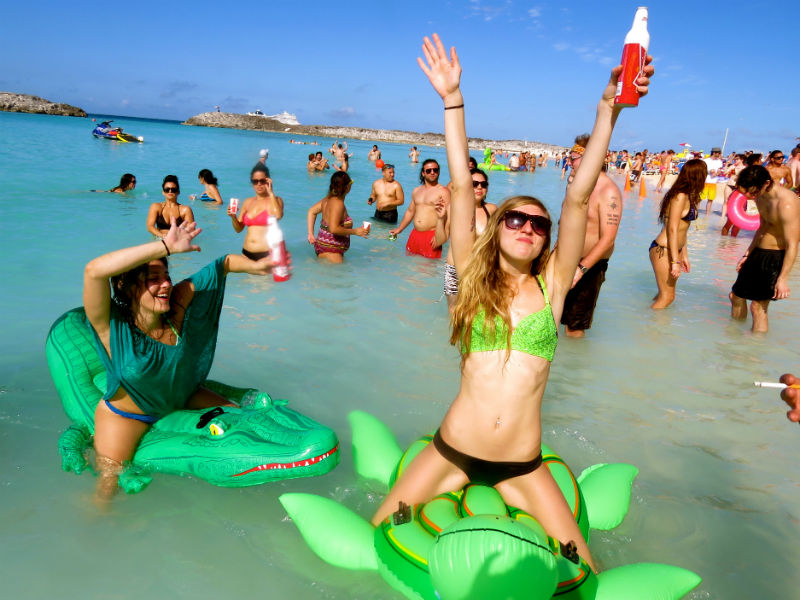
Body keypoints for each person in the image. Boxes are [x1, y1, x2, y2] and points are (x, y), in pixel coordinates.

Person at [371, 33, 652, 574]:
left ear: (548, 238)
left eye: (537, 224)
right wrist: (452, 99)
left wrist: (607, 112)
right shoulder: (471, 283)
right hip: (453, 449)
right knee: (379, 530)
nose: (527, 227)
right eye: (515, 219)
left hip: (522, 464)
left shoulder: (554, 288)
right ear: (497, 228)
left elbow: (577, 195)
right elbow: (458, 182)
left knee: (584, 569)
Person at [83, 220, 276, 504]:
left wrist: (257, 267)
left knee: (242, 417)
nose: (166, 285)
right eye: (153, 277)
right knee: (107, 489)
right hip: (127, 415)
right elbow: (94, 271)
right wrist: (164, 246)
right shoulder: (110, 326)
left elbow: (221, 265)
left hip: (181, 395)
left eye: (166, 275)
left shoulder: (178, 306)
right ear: (126, 285)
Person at [560, 134, 622, 337]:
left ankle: (574, 366)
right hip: (564, 261)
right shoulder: (578, 186)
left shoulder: (608, 191)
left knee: (574, 326)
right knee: (552, 316)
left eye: (573, 158)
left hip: (588, 267)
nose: (569, 161)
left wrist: (580, 270)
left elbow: (608, 240)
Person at [729, 165, 800, 333]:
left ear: (766, 183)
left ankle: (753, 354)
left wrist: (783, 279)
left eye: (752, 193)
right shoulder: (760, 197)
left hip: (776, 256)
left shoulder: (787, 204)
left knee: (758, 307)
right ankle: (734, 340)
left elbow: (793, 244)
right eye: (746, 193)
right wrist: (748, 253)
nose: (750, 197)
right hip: (759, 252)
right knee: (736, 296)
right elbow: (763, 227)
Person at [648, 159, 706, 309]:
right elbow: (672, 229)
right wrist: (675, 262)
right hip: (663, 249)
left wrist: (684, 254)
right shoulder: (680, 196)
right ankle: (650, 329)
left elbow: (683, 229)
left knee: (663, 296)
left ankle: (651, 325)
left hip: (675, 250)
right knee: (668, 297)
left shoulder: (691, 196)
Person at [439, 167, 497, 310]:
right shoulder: (453, 208)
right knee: (455, 314)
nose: (479, 187)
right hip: (454, 270)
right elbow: (441, 239)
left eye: (483, 185)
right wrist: (440, 220)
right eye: (474, 183)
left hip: (481, 270)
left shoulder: (492, 210)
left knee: (478, 314)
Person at [390, 158, 451, 259]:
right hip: (415, 235)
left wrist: (443, 237)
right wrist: (399, 229)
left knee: (428, 270)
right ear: (423, 173)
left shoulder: (443, 191)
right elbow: (410, 211)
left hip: (432, 236)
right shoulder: (416, 191)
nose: (432, 172)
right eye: (428, 170)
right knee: (410, 268)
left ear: (438, 172)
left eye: (435, 170)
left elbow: (449, 217)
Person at [307, 171, 368, 263]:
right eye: (350, 183)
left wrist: (310, 234)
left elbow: (311, 211)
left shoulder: (328, 199)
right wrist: (356, 231)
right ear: (347, 187)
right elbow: (334, 229)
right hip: (332, 251)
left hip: (323, 246)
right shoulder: (337, 203)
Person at [228, 164, 285, 260]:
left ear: (268, 181)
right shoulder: (248, 202)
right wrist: (233, 217)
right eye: (255, 181)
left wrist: (271, 192)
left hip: (267, 255)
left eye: (262, 181)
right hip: (246, 254)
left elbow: (278, 215)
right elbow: (238, 229)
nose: (258, 184)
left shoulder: (276, 200)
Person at [701, 147, 723, 214]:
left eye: (719, 153)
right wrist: (709, 171)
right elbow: (702, 170)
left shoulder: (719, 162)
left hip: (713, 182)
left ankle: (707, 214)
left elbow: (719, 170)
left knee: (710, 199)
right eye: (718, 153)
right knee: (700, 198)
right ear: (714, 153)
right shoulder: (706, 161)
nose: (719, 154)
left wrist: (717, 174)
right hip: (705, 181)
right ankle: (695, 212)